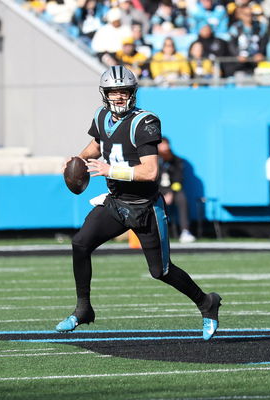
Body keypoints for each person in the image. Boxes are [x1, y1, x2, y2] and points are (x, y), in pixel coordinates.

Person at [56, 65, 221, 340]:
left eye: (123, 91)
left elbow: (150, 172)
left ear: (132, 93)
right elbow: (98, 144)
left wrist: (110, 170)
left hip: (145, 207)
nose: (118, 97)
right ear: (104, 94)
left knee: (161, 271)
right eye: (113, 92)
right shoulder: (101, 116)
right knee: (80, 243)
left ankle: (207, 303)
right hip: (116, 203)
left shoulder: (144, 122)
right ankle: (83, 308)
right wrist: (77, 159)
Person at [158, 137, 196, 243]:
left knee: (182, 198)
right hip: (157, 190)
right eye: (161, 145)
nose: (164, 147)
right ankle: (155, 232)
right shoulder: (153, 160)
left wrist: (171, 193)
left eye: (166, 144)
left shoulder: (177, 161)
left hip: (172, 191)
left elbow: (178, 181)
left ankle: (185, 231)